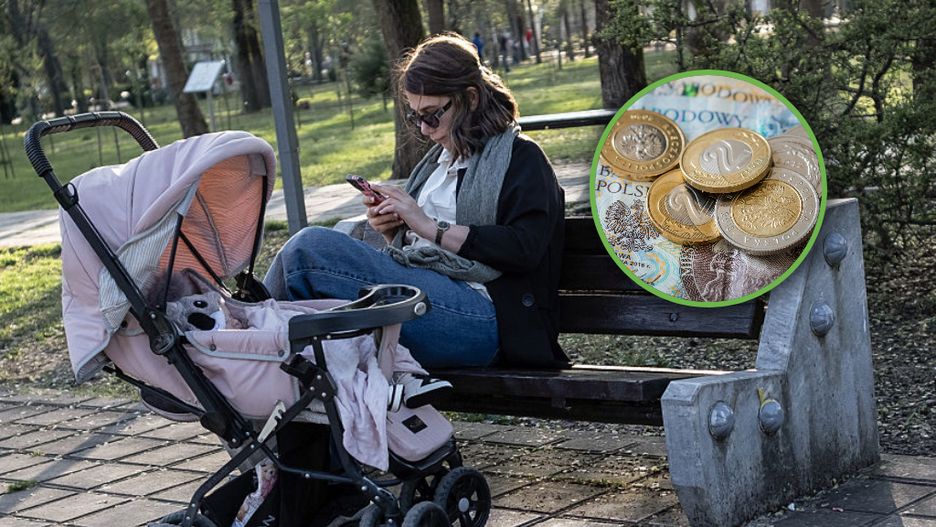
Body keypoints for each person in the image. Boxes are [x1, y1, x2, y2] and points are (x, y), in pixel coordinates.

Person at [264, 32, 568, 372]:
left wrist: (427, 225)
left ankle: (243, 336)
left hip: (489, 318)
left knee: (309, 250)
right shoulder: (436, 165)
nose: (423, 129)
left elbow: (524, 249)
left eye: (432, 114)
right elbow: (416, 246)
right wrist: (392, 230)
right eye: (414, 116)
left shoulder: (521, 158)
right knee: (310, 307)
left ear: (469, 98)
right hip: (426, 299)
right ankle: (260, 366)